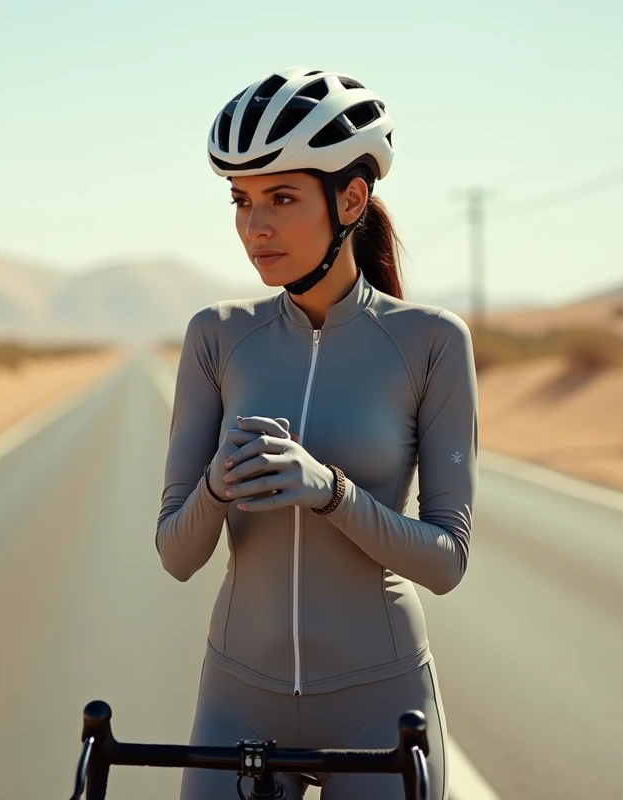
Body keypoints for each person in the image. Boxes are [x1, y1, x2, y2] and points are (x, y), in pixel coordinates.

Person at [157, 66, 478, 800]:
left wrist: (331, 492)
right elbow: (177, 555)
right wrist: (216, 486)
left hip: (379, 702)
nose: (254, 225)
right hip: (238, 695)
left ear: (352, 199)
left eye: (281, 198)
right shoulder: (217, 336)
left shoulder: (429, 341)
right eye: (241, 201)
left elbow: (447, 561)